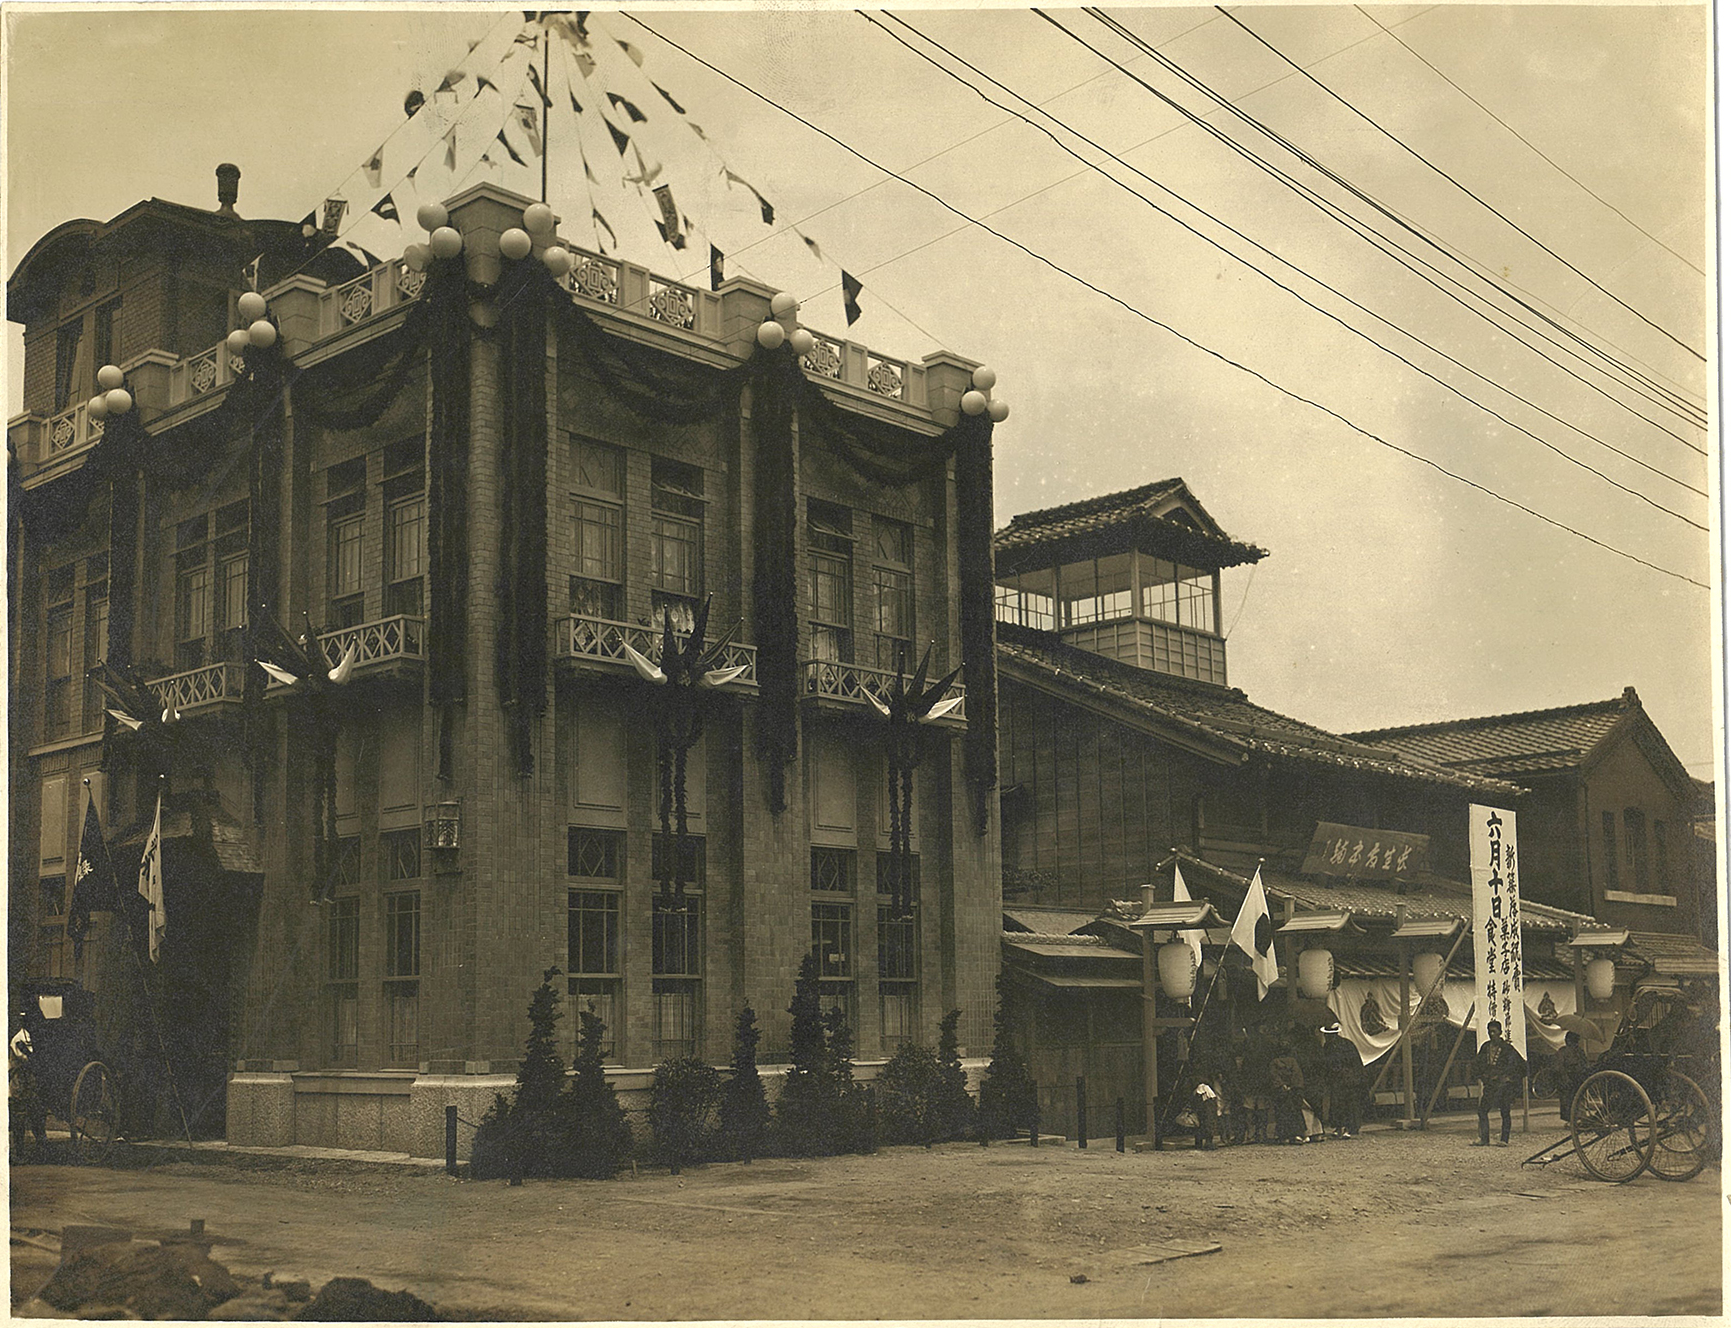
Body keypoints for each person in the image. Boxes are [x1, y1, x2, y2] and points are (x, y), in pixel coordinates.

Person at [1469, 1019, 1527, 1147]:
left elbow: (1519, 1065)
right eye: (1490, 1032)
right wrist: (1481, 1075)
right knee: (1482, 1110)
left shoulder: (1507, 1049)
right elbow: (1477, 1063)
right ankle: (1484, 1138)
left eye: (1494, 1032)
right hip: (1490, 1084)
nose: (1492, 1034)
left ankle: (1504, 1139)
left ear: (1500, 1032)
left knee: (1505, 1111)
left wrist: (1508, 1078)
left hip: (1504, 1085)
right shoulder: (1486, 1047)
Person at [1321, 1022, 1365, 1137]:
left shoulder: (1339, 1046)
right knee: (1341, 1103)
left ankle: (1345, 1128)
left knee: (1344, 1103)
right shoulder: (1336, 1045)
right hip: (1342, 1078)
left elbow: (1354, 1063)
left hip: (1344, 1078)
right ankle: (1342, 1127)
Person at [1268, 1042, 1308, 1144]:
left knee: (1282, 1113)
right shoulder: (1293, 1061)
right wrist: (1293, 1086)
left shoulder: (1274, 1062)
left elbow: (1274, 1076)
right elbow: (1297, 1075)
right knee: (1295, 1112)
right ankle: (1297, 1135)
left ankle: (1283, 1136)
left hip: (1281, 1091)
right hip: (1294, 1090)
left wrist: (1282, 1085)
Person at [1549, 1030, 1589, 1123]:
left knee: (1573, 1098)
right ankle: (1573, 1119)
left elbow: (1584, 1064)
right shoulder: (1565, 1051)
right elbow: (1558, 1067)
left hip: (1576, 1077)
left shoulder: (1576, 1051)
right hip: (1568, 1077)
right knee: (1569, 1099)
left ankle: (1577, 1118)